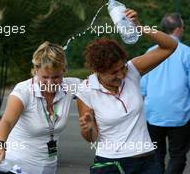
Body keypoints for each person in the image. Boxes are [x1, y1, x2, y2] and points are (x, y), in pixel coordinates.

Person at [75, 9, 178, 174]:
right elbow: (92, 137)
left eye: (122, 67)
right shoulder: (86, 90)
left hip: (147, 161)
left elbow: (170, 46)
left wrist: (140, 27)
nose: (121, 74)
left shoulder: (132, 70)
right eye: (113, 72)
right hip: (110, 164)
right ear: (97, 71)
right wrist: (88, 128)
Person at [0, 41, 80, 174]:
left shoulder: (71, 86)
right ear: (36, 70)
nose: (50, 83)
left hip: (48, 168)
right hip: (13, 168)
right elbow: (6, 122)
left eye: (56, 77)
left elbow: (101, 83)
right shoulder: (23, 91)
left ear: (64, 70)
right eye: (45, 77)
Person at [140, 13, 190, 174]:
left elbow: (142, 87)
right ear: (178, 29)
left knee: (156, 155)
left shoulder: (149, 52)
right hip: (180, 114)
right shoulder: (186, 53)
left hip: (153, 113)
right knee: (178, 155)